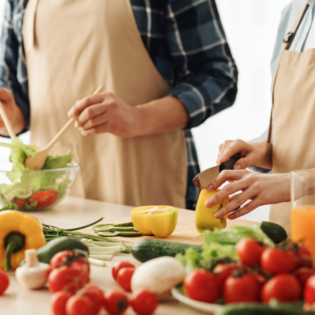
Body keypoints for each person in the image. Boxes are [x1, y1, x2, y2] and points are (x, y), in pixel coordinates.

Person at [0, 0, 237, 209]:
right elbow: (17, 101)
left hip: (146, 189)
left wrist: (138, 117)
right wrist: (9, 116)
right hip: (54, 201)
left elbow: (219, 75)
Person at [202, 0, 315, 232]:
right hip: (288, 233)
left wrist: (289, 183)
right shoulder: (295, 14)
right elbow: (298, 129)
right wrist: (262, 149)